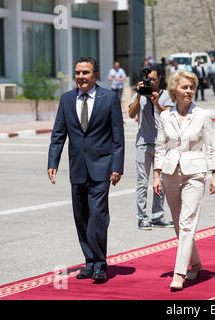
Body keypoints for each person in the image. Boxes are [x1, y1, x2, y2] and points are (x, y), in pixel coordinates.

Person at [47, 57, 125, 282]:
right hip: (77, 169)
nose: (81, 76)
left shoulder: (109, 98)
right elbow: (58, 134)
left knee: (98, 216)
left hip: (102, 168)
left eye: (86, 73)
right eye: (78, 72)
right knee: (81, 217)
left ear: (95, 75)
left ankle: (100, 264)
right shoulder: (67, 99)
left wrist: (116, 166)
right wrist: (53, 162)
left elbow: (117, 137)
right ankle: (89, 261)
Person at [153, 70, 215, 291]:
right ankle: (197, 263)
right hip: (170, 173)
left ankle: (179, 272)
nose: (188, 91)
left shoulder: (202, 115)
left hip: (195, 173)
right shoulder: (165, 116)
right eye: (184, 87)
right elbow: (161, 146)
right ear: (174, 90)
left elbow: (210, 146)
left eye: (191, 87)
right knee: (179, 224)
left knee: (187, 223)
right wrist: (156, 174)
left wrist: (214, 173)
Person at [129, 66, 174, 230]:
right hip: (143, 143)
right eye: (149, 80)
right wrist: (138, 95)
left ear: (159, 79)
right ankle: (142, 217)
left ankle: (158, 216)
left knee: (161, 182)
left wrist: (156, 103)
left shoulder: (166, 96)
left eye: (153, 79)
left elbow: (168, 116)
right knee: (142, 182)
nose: (151, 82)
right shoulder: (138, 95)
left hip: (162, 145)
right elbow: (131, 114)